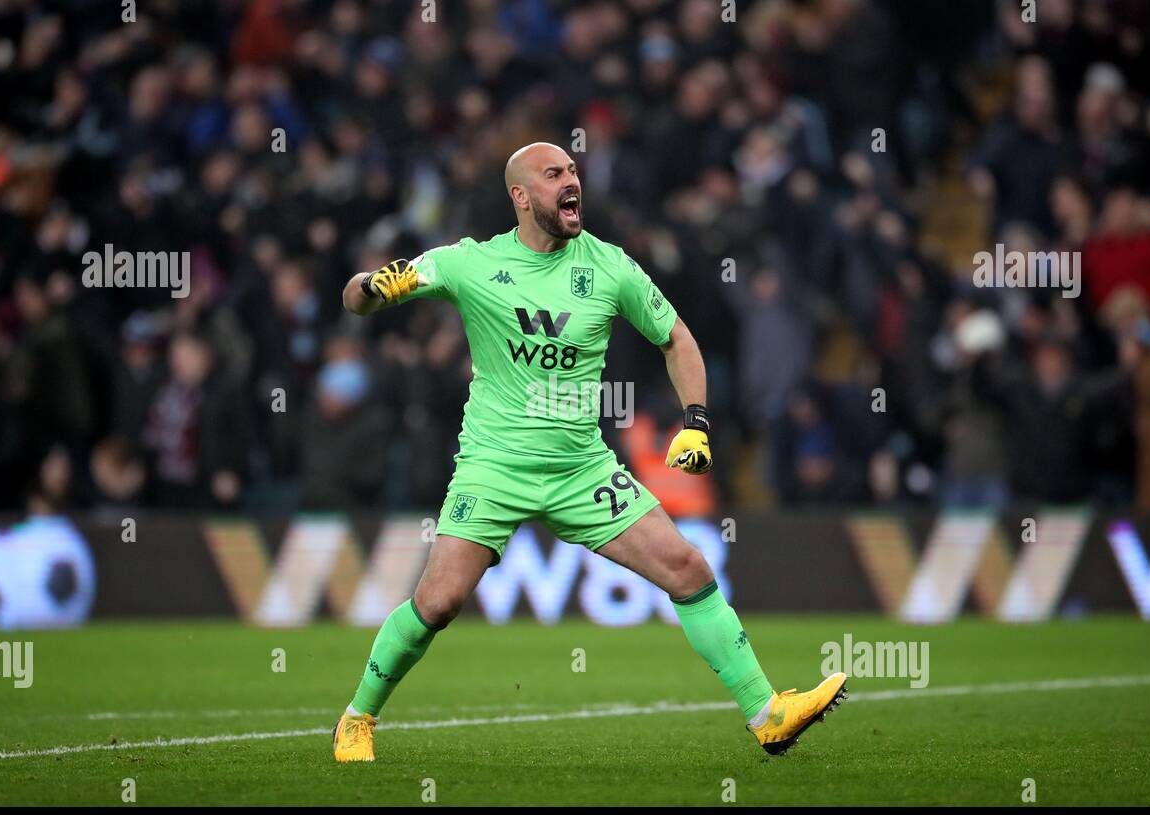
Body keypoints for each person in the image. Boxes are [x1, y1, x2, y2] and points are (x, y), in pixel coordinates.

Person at [332, 143, 846, 762]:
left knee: (688, 568)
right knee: (438, 603)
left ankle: (768, 714)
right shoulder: (469, 263)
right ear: (521, 196)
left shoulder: (609, 267)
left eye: (574, 172)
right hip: (495, 468)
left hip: (582, 469)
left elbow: (677, 339)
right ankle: (358, 716)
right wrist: (371, 284)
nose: (572, 181)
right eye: (554, 175)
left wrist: (697, 423)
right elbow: (355, 302)